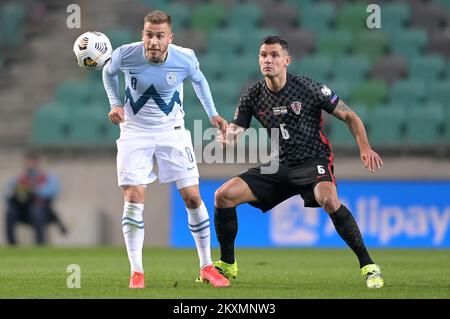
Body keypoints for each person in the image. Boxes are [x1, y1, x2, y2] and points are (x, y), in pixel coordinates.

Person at [214, 35, 384, 289]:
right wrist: (229, 136)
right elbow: (239, 127)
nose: (267, 60)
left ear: (286, 60)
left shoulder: (307, 87)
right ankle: (227, 265)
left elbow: (350, 116)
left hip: (313, 160)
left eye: (273, 55)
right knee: (222, 196)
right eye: (263, 55)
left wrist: (364, 147)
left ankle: (369, 266)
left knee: (328, 198)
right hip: (280, 165)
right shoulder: (253, 94)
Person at [102, 10, 230, 288]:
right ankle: (137, 272)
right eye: (149, 34)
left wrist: (213, 114)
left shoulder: (185, 58)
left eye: (160, 36)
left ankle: (207, 266)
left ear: (169, 38)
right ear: (142, 34)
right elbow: (107, 72)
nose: (153, 41)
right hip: (134, 133)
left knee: (193, 197)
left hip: (172, 133)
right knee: (134, 197)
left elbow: (200, 81)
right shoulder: (125, 54)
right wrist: (114, 103)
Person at [4, 151, 65, 245]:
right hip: (22, 211)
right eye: (27, 163)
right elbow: (6, 194)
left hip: (40, 210)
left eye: (32, 163)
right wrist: (15, 192)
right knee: (10, 212)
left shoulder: (47, 178)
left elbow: (53, 191)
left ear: (37, 163)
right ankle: (12, 244)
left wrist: (34, 190)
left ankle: (40, 243)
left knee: (36, 210)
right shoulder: (19, 179)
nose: (30, 166)